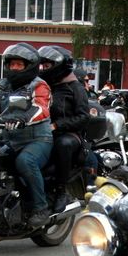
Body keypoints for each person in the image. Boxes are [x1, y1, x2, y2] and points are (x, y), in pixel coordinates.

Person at [0, 43, 53, 227]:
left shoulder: (39, 85)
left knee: (25, 162)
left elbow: (41, 108)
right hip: (10, 138)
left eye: (19, 65)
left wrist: (24, 118)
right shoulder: (2, 85)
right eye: (12, 64)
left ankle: (41, 208)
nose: (14, 68)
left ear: (29, 66)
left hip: (37, 139)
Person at [39, 45, 90, 213]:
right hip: (41, 131)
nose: (43, 69)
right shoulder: (42, 86)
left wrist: (57, 125)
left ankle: (61, 191)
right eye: (42, 65)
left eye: (47, 65)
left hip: (69, 134)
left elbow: (83, 117)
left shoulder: (75, 87)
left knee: (63, 144)